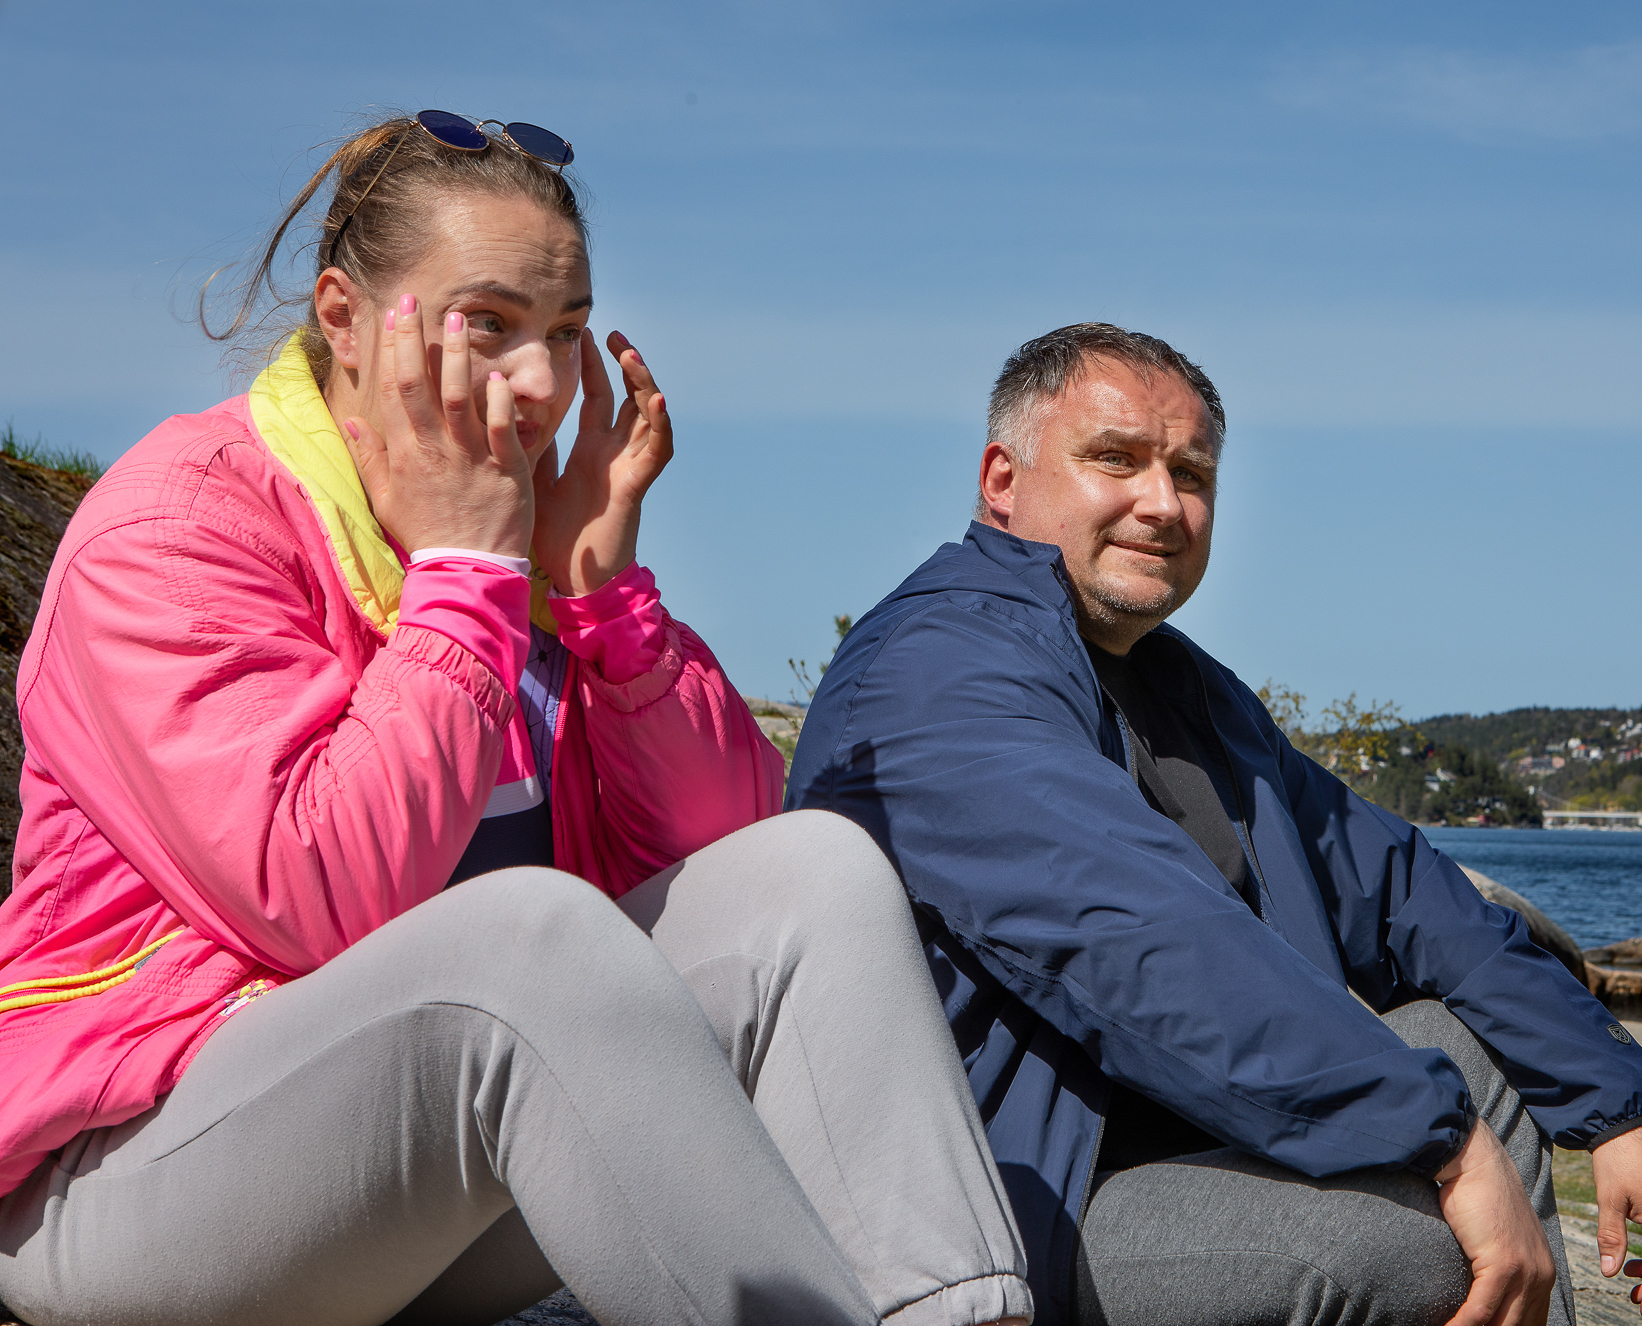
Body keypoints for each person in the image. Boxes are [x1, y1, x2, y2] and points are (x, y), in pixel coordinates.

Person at [0, 113, 1031, 1326]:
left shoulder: (515, 546)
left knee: (812, 870)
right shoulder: (176, 528)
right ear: (342, 317)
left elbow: (728, 846)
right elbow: (318, 893)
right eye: (488, 325)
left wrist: (604, 603)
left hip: (427, 1178)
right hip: (126, 1164)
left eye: (566, 333)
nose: (538, 386)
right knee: (529, 936)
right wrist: (464, 576)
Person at [788, 322, 1642, 1326]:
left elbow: (1408, 894)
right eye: (1115, 459)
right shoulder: (939, 667)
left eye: (1193, 474)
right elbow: (1134, 935)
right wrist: (1440, 1138)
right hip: (1002, 1211)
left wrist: (1619, 1108)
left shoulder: (1192, 697)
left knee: (1464, 1041)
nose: (1163, 504)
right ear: (1002, 478)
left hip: (1181, 1153)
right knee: (1403, 1242)